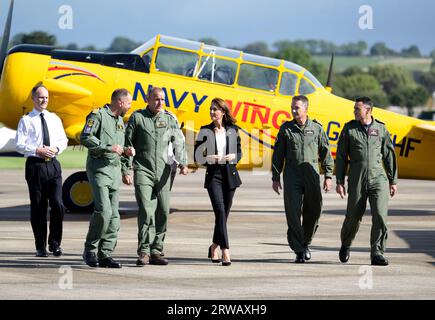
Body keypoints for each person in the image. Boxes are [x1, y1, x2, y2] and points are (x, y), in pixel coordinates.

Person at [122, 87, 188, 266]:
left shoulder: (168, 118)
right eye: (156, 99)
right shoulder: (138, 118)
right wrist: (126, 169)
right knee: (146, 209)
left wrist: (182, 162)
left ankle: (156, 250)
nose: (160, 103)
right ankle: (143, 250)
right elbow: (127, 144)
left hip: (164, 171)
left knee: (163, 210)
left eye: (163, 100)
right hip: (143, 169)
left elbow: (178, 141)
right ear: (148, 99)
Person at [336, 97, 398, 266]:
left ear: (368, 111)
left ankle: (377, 253)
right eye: (355, 108)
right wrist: (339, 181)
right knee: (353, 217)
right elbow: (341, 157)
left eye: (357, 109)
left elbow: (388, 155)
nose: (354, 111)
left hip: (378, 178)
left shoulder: (381, 128)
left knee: (380, 215)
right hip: (357, 178)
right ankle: (346, 244)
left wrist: (393, 180)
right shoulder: (349, 129)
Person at [272, 95, 334, 263]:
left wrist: (328, 175)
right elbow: (278, 154)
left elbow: (326, 152)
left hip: (311, 174)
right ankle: (299, 249)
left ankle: (305, 242)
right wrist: (275, 177)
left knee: (314, 211)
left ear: (306, 109)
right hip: (292, 175)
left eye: (297, 108)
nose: (293, 110)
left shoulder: (317, 128)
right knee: (293, 213)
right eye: (292, 107)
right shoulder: (286, 129)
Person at [80, 88, 134, 268]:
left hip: (114, 173)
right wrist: (107, 147)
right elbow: (85, 137)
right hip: (99, 170)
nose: (130, 106)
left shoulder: (120, 121)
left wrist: (126, 167)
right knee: (104, 212)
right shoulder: (98, 115)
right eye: (128, 103)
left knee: (114, 217)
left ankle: (105, 254)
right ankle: (90, 250)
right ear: (119, 102)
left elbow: (122, 146)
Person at [15, 84, 68, 257]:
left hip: (53, 165)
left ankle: (55, 243)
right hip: (35, 166)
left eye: (46, 97)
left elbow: (63, 140)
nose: (44, 100)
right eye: (40, 97)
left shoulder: (54, 118)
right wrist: (37, 149)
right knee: (38, 207)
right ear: (33, 99)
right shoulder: (26, 120)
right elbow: (20, 145)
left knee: (58, 205)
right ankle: (40, 246)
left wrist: (56, 149)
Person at [194, 98, 242, 266]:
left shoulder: (233, 130)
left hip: (230, 175)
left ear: (223, 111)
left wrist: (234, 156)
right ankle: (225, 250)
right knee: (220, 212)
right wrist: (209, 158)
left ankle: (214, 246)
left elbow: (240, 152)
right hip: (213, 175)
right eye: (211, 109)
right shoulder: (205, 130)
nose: (212, 112)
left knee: (224, 215)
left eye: (216, 109)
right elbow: (197, 156)